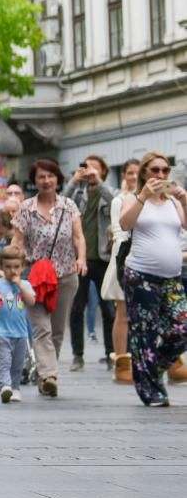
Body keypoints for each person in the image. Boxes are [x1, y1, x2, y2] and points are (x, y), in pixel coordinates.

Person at [9, 157, 87, 398]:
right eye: (41, 176)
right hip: (36, 276)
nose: (46, 180)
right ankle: (49, 375)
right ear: (34, 181)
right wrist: (13, 265)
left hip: (65, 275)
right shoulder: (26, 208)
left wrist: (81, 258)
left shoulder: (69, 206)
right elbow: (18, 241)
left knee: (56, 330)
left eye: (50, 176)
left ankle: (46, 374)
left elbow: (78, 237)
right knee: (41, 328)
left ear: (57, 179)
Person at [118, 151, 187, 407]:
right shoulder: (133, 198)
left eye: (165, 171)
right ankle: (152, 391)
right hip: (141, 275)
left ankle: (153, 364)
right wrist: (143, 196)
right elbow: (125, 224)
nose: (160, 175)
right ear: (145, 173)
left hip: (172, 277)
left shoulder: (173, 201)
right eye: (155, 170)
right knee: (144, 334)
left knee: (183, 326)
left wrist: (185, 199)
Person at [64, 155, 117, 370]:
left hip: (103, 257)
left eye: (95, 168)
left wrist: (99, 182)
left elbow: (116, 205)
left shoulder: (110, 192)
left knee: (108, 310)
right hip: (80, 258)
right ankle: (78, 355)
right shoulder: (78, 193)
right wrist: (74, 181)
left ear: (103, 171)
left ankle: (111, 353)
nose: (90, 171)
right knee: (77, 308)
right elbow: (61, 204)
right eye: (86, 167)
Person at [0, 246, 36, 404]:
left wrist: (20, 285)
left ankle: (16, 388)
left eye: (16, 267)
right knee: (4, 362)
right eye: (8, 267)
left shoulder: (25, 285)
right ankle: (5, 387)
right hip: (1, 332)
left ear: (22, 267)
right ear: (1, 267)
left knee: (17, 365)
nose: (12, 270)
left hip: (20, 334)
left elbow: (31, 301)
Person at [103, 158, 141, 383]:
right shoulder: (120, 200)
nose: (134, 177)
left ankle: (146, 358)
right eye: (130, 173)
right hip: (125, 258)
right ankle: (121, 360)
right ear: (124, 176)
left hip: (149, 260)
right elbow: (119, 232)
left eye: (138, 173)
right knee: (123, 312)